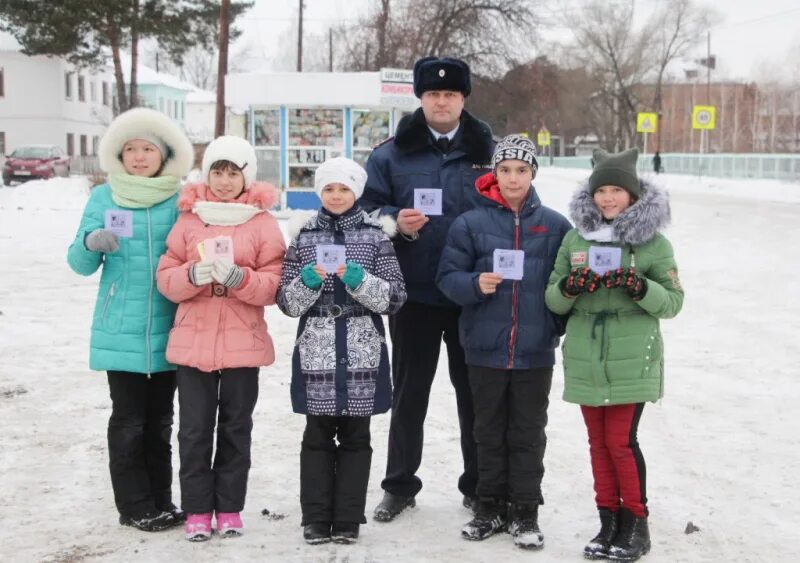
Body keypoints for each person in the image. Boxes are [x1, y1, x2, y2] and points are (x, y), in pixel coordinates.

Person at [359, 55, 495, 522]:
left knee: (473, 394)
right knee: (409, 393)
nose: (442, 101)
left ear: (463, 99)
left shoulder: (489, 151)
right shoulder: (391, 153)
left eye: (451, 94)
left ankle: (478, 486)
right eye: (434, 94)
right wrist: (395, 221)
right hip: (413, 293)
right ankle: (399, 485)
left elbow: (513, 207)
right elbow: (365, 212)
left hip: (472, 296)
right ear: (421, 97)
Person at [544, 148, 684, 561]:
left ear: (633, 194)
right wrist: (571, 287)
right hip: (586, 352)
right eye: (601, 190)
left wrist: (640, 287)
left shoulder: (653, 243)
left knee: (621, 442)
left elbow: (674, 302)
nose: (608, 198)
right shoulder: (575, 238)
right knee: (597, 443)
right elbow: (553, 299)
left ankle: (636, 524)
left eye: (616, 190)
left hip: (630, 353)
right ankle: (607, 522)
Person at [436, 135, 571, 549]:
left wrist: (552, 325)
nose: (513, 178)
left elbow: (563, 285)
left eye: (522, 170)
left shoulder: (554, 225)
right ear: (494, 173)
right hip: (484, 349)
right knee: (488, 431)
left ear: (533, 174)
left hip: (533, 352)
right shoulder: (471, 224)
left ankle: (525, 512)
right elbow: (447, 278)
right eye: (506, 170)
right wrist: (475, 284)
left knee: (529, 433)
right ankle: (489, 507)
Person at [67, 108, 193, 532]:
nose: (139, 157)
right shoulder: (105, 197)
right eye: (131, 150)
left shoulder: (180, 198)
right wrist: (91, 241)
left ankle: (161, 498)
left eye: (148, 149)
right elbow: (79, 263)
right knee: (128, 422)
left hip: (170, 328)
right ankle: (134, 505)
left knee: (160, 422)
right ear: (119, 155)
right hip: (119, 329)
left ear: (164, 155)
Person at [155, 135, 286, 541]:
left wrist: (240, 278)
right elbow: (165, 276)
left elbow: (274, 284)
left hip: (242, 346)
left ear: (246, 177)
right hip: (193, 345)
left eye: (233, 173)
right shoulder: (189, 219)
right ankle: (196, 510)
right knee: (193, 430)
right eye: (218, 171)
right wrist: (192, 276)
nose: (225, 181)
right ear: (206, 173)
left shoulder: (262, 223)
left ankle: (229, 507)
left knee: (235, 428)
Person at [277, 157, 407, 545]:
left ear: (357, 193)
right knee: (315, 436)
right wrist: (306, 281)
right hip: (316, 346)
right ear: (320, 193)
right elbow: (286, 302)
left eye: (344, 189)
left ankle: (349, 518)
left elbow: (396, 297)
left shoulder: (375, 236)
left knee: (356, 436)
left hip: (362, 347)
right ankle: (316, 518)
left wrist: (359, 279)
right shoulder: (303, 236)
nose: (336, 196)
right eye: (329, 189)